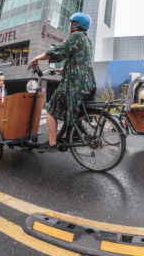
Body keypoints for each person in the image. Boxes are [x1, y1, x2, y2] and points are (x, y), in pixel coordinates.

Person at [28, 12, 96, 152]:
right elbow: (78, 60)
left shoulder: (75, 37)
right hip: (87, 84)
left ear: (75, 24)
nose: (69, 26)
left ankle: (52, 144)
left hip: (74, 85)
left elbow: (57, 52)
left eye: (71, 23)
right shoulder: (87, 40)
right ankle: (74, 133)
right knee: (73, 107)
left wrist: (37, 58)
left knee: (51, 108)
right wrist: (62, 70)